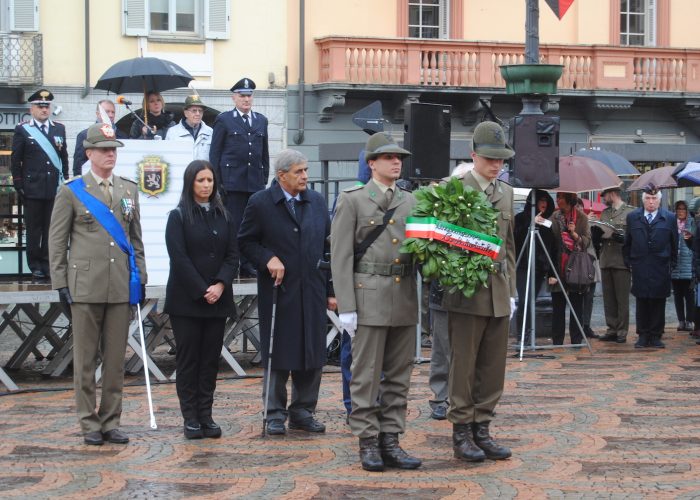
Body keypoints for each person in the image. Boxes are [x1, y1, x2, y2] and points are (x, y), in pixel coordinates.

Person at [48, 123, 147, 445]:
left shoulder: (128, 189)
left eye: (113, 149)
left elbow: (136, 240)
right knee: (86, 360)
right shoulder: (72, 190)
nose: (110, 154)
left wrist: (140, 278)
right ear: (88, 153)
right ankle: (89, 423)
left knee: (116, 359)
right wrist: (61, 282)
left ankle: (111, 421)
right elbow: (57, 240)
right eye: (104, 149)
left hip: (119, 285)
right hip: (85, 285)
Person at [331, 132, 421, 472]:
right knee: (366, 374)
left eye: (399, 157)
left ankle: (391, 439)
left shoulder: (410, 201)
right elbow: (340, 256)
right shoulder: (353, 199)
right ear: (371, 163)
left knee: (399, 375)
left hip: (403, 296)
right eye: (388, 157)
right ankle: (367, 440)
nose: (397, 162)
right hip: (368, 294)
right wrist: (347, 305)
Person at [238, 149, 333, 436]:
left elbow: (328, 248)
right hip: (281, 292)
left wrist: (331, 289)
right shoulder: (260, 203)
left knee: (312, 352)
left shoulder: (316, 202)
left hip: (313, 289)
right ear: (282, 176)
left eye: (306, 170)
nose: (305, 176)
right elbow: (245, 242)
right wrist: (268, 258)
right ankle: (275, 413)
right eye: (299, 171)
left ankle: (303, 411)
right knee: (278, 351)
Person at [439, 121, 515, 463]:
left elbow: (509, 247)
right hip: (467, 291)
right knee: (464, 365)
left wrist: (511, 289)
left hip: (498, 290)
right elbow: (439, 239)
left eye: (501, 159)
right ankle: (462, 431)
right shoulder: (455, 189)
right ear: (473, 156)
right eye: (489, 159)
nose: (496, 165)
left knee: (493, 365)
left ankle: (483, 427)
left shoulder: (506, 192)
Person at [164, 160, 238, 440]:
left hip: (217, 300)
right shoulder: (179, 215)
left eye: (209, 180)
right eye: (200, 181)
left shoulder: (225, 215)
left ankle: (206, 414)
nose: (206, 185)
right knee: (189, 361)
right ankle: (190, 417)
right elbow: (179, 258)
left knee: (209, 361)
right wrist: (202, 289)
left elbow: (232, 254)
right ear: (190, 183)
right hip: (187, 302)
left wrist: (220, 284)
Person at [210, 77, 270, 278]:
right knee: (234, 225)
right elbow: (215, 154)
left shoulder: (261, 120)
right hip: (232, 183)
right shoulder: (224, 119)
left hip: (254, 183)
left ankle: (248, 263)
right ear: (234, 98)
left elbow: (264, 154)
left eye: (249, 95)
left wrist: (263, 179)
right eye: (242, 96)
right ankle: (233, 263)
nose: (246, 99)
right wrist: (218, 183)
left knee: (253, 225)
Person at [11, 88, 69, 282]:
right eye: (40, 106)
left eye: (47, 106)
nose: (44, 110)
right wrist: (19, 183)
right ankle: (35, 265)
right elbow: (15, 159)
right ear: (32, 108)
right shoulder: (23, 129)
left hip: (54, 187)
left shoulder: (58, 128)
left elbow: (64, 158)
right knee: (35, 230)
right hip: (32, 188)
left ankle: (48, 263)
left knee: (51, 229)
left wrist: (66, 180)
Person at [623, 185, 677, 349]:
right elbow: (627, 242)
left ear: (659, 200)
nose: (651, 202)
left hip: (660, 265)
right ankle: (643, 334)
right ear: (643, 200)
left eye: (654, 199)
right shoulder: (633, 217)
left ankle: (655, 334)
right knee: (642, 299)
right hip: (640, 264)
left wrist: (671, 264)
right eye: (648, 198)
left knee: (658, 300)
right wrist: (629, 262)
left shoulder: (669, 217)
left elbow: (674, 243)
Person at [513, 189, 556, 345]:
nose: (543, 204)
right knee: (525, 301)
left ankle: (529, 335)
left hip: (539, 268)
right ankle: (521, 337)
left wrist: (552, 272)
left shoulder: (547, 222)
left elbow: (551, 247)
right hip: (523, 266)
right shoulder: (520, 218)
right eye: (540, 200)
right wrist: (530, 224)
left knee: (532, 300)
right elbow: (516, 239)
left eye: (546, 201)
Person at [549, 192, 592, 346]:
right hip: (558, 265)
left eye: (560, 197)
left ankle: (576, 339)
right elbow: (549, 242)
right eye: (557, 197)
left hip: (576, 267)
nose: (557, 200)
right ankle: (557, 340)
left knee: (576, 304)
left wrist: (573, 233)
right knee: (558, 305)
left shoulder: (582, 218)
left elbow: (586, 242)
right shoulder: (553, 217)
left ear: (568, 200)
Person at [595, 186, 634, 343]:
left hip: (620, 260)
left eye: (605, 195)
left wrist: (624, 238)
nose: (604, 198)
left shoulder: (630, 212)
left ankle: (622, 331)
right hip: (606, 258)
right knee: (609, 298)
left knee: (621, 298)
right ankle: (611, 328)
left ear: (612, 194)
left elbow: (632, 236)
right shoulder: (605, 213)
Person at [74, 99, 128, 176]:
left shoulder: (123, 136)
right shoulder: (84, 135)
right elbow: (78, 165)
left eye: (113, 112)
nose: (111, 115)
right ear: (98, 114)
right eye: (107, 112)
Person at [671, 200, 695, 332]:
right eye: (678, 209)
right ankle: (681, 321)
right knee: (677, 295)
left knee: (689, 295)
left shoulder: (692, 223)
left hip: (688, 265)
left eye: (683, 209)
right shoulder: (671, 223)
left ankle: (690, 321)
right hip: (675, 265)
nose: (681, 211)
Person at [165, 95, 213, 161]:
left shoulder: (210, 132)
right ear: (186, 113)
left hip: (203, 171)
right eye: (194, 111)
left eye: (200, 111)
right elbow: (168, 158)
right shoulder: (173, 132)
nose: (198, 113)